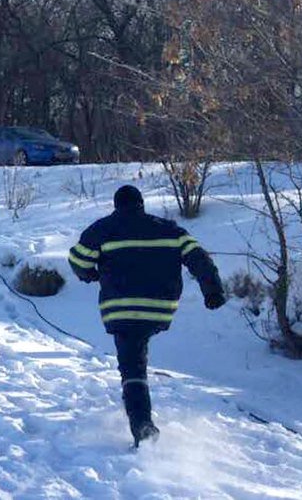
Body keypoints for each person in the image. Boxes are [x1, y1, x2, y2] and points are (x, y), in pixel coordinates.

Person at [68, 185, 226, 447]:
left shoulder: (104, 228)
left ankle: (142, 425)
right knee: (137, 354)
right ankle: (141, 419)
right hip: (159, 307)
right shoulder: (169, 228)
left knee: (132, 368)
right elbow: (200, 258)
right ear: (141, 204)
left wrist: (92, 276)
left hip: (121, 308)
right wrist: (213, 291)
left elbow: (78, 261)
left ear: (116, 205)